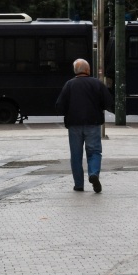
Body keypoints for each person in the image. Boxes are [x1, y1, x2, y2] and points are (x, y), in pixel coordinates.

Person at [54, 58, 113, 193]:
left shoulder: (69, 84)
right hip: (93, 123)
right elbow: (108, 102)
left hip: (74, 124)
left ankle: (78, 185)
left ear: (75, 71)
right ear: (88, 70)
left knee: (76, 155)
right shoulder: (97, 83)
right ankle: (93, 174)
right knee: (94, 152)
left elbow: (60, 106)